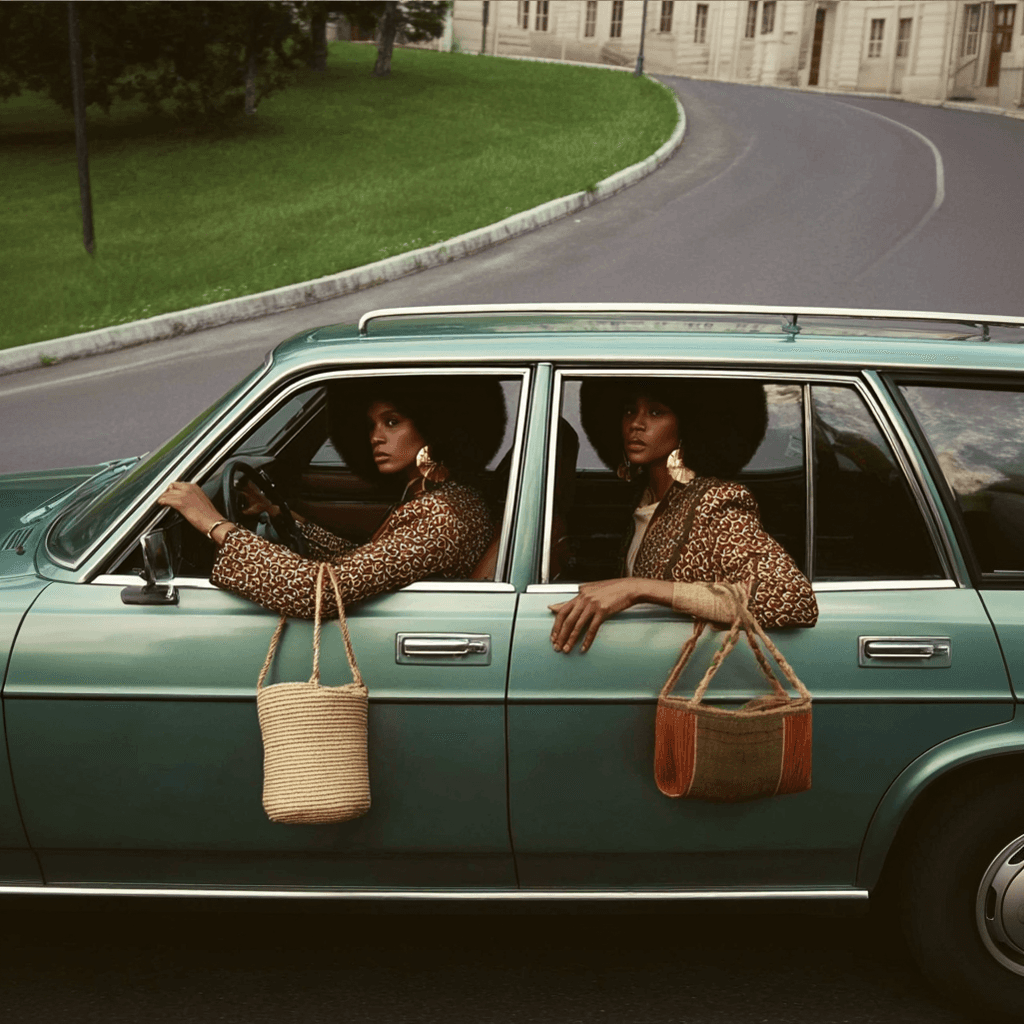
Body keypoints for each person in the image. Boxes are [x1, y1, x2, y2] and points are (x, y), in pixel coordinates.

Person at [158, 375, 506, 619]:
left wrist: (213, 523)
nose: (375, 437)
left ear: (434, 425)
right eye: (372, 425)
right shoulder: (448, 496)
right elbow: (367, 562)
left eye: (392, 422)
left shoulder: (440, 517)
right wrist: (281, 514)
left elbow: (320, 593)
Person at [550, 377, 817, 653]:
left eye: (656, 412)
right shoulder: (641, 500)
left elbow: (791, 598)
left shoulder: (714, 502)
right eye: (630, 411)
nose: (636, 424)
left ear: (687, 424)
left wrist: (637, 588)